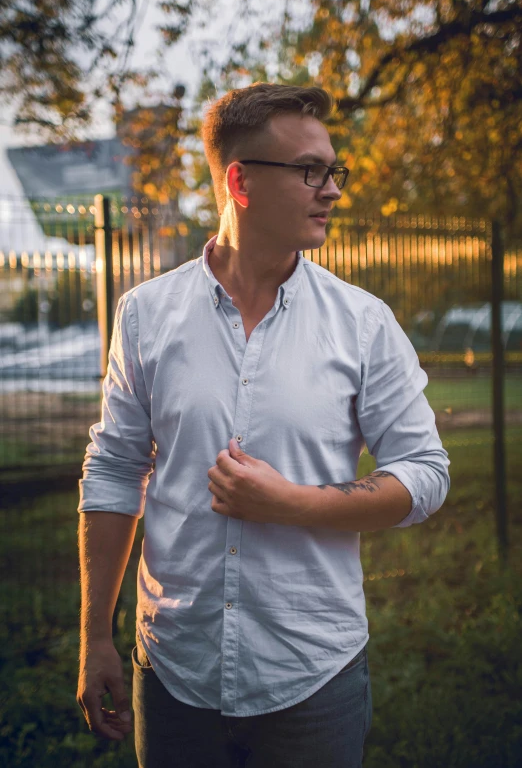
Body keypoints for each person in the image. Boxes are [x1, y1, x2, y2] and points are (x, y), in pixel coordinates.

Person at [76, 82, 450, 768]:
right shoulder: (144, 315)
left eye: (334, 170)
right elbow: (114, 470)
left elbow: (426, 474)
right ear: (240, 181)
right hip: (171, 671)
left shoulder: (364, 325)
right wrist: (95, 634)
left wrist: (291, 503)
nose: (332, 188)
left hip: (312, 676)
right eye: (311, 170)